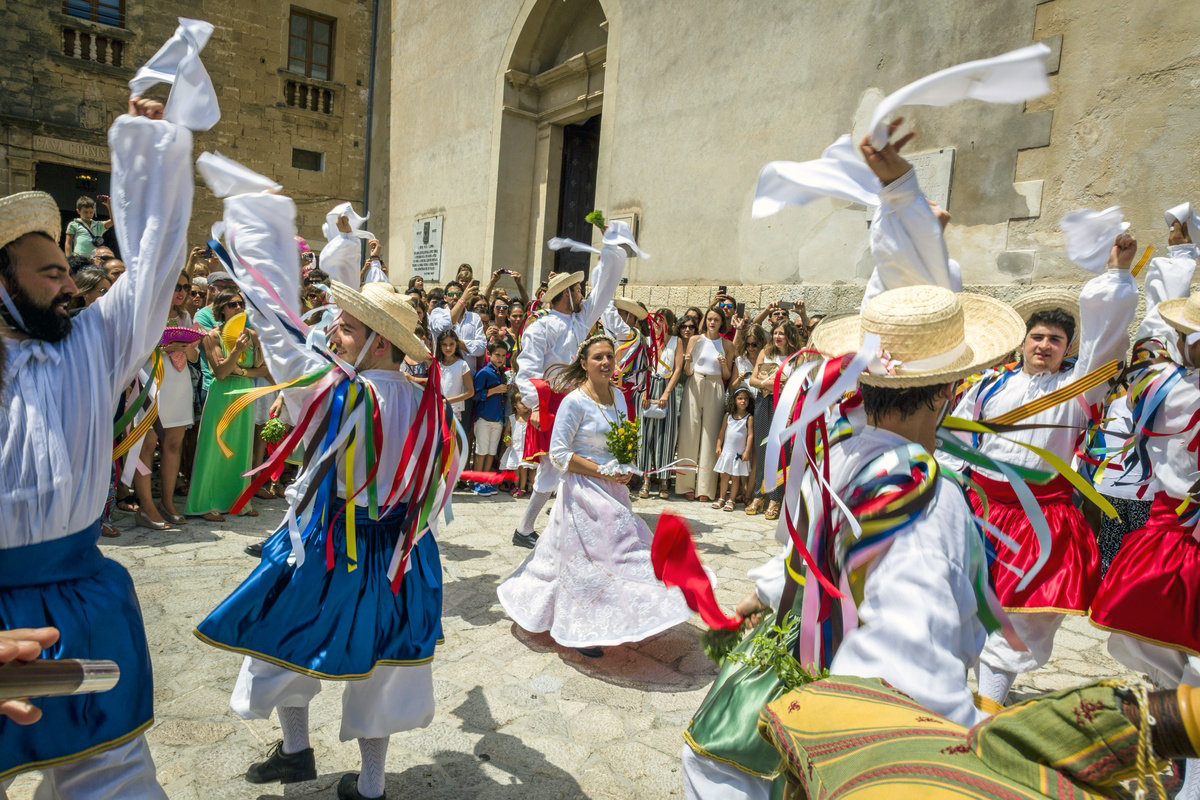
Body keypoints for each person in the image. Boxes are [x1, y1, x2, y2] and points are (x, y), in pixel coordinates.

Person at [682, 283, 1028, 800]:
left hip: (758, 716)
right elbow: (912, 664)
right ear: (945, 392)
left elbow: (809, 553)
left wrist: (767, 594)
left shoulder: (837, 450)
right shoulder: (927, 495)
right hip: (834, 729)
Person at [193, 152, 457, 800]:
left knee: (280, 638)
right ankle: (368, 785)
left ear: (376, 340)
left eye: (343, 326)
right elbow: (431, 488)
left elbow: (281, 340)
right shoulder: (430, 405)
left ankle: (296, 748)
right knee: (387, 666)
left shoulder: (338, 396)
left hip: (331, 543)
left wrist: (257, 251)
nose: (331, 334)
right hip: (400, 550)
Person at [0, 81, 202, 795]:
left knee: (112, 776)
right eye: (49, 271)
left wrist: (151, 153)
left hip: (85, 604)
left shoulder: (91, 343)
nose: (70, 284)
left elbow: (152, 264)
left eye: (68, 268)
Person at [1088, 215, 1200, 800]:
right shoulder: (1168, 388)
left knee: (1174, 659)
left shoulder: (1164, 386)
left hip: (1171, 532)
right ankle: (1182, 759)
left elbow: (1156, 331)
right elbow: (1156, 337)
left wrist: (1166, 265)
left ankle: (1184, 765)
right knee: (1165, 651)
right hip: (1176, 533)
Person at [498, 335, 697, 658]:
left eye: (609, 357)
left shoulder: (619, 397)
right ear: (584, 364)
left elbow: (622, 440)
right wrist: (600, 471)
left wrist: (626, 467)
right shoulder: (574, 402)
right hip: (581, 491)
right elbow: (560, 454)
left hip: (614, 489)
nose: (605, 363)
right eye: (598, 358)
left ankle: (619, 614)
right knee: (590, 560)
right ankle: (580, 629)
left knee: (621, 552)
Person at [510, 223, 632, 548]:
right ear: (565, 294)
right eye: (577, 290)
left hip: (577, 401)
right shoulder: (542, 328)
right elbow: (527, 368)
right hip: (551, 404)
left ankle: (554, 527)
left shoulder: (579, 321)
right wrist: (534, 406)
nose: (582, 294)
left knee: (567, 468)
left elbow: (604, 288)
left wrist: (609, 247)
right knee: (554, 467)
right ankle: (526, 529)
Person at [185, 289, 267, 521]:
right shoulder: (212, 336)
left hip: (245, 393)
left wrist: (240, 370)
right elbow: (220, 372)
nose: (239, 308)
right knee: (214, 449)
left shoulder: (251, 334)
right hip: (222, 394)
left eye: (241, 304)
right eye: (232, 304)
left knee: (241, 448)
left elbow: (264, 369)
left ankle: (239, 501)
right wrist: (237, 353)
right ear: (221, 308)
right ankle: (204, 503)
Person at [131, 271, 198, 529]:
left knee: (173, 444)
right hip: (150, 380)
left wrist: (188, 347)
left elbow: (193, 359)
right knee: (147, 445)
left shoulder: (185, 316)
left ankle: (167, 503)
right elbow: (134, 351)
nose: (181, 291)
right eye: (175, 286)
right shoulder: (147, 313)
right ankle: (146, 506)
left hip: (178, 383)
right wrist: (161, 349)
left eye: (185, 286)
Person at [676, 306, 733, 502]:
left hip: (716, 384)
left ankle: (705, 488)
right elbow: (688, 371)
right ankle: (685, 485)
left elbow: (727, 376)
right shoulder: (695, 340)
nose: (712, 322)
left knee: (710, 436)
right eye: (709, 318)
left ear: (721, 323)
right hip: (696, 382)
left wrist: (725, 365)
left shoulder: (728, 344)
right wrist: (687, 362)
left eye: (716, 319)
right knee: (689, 432)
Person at [747, 319, 801, 518]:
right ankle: (759, 496)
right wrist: (774, 385)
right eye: (775, 333)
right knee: (761, 451)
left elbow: (796, 388)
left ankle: (775, 499)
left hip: (784, 405)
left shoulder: (797, 358)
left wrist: (790, 415)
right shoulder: (765, 353)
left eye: (782, 333)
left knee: (780, 453)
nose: (778, 337)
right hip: (764, 403)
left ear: (789, 336)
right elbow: (753, 380)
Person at [637, 308, 684, 499]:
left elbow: (678, 368)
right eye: (655, 321)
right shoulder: (648, 341)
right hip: (648, 386)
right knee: (645, 433)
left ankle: (664, 480)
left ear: (669, 324)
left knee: (666, 434)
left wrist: (666, 393)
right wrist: (644, 391)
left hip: (666, 388)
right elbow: (643, 367)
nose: (656, 326)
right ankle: (646, 479)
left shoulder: (676, 341)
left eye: (661, 322)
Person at [471, 340, 509, 495]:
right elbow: (475, 395)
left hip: (498, 418)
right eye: (497, 355)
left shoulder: (503, 374)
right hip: (484, 418)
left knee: (491, 453)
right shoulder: (484, 372)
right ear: (489, 355)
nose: (500, 358)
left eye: (503, 355)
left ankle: (485, 481)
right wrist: (495, 390)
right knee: (481, 452)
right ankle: (476, 482)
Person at [713, 386, 753, 511]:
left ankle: (731, 500)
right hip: (727, 452)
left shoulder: (749, 417)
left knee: (735, 477)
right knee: (724, 476)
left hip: (739, 453)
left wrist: (747, 451)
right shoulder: (728, 416)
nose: (743, 401)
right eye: (740, 398)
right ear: (734, 400)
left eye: (746, 399)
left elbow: (750, 435)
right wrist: (718, 445)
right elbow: (722, 431)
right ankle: (721, 498)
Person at [500, 385, 535, 498]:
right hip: (515, 447)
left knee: (524, 469)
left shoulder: (530, 417)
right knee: (516, 469)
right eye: (522, 403)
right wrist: (507, 439)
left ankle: (523, 488)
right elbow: (507, 432)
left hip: (526, 448)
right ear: (515, 405)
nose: (525, 406)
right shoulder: (512, 418)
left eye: (526, 403)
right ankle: (516, 486)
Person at [435, 327, 474, 429]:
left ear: (456, 344)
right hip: (437, 410)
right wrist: (413, 379)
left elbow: (470, 392)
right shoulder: (437, 364)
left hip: (454, 412)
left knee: (452, 443)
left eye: (451, 344)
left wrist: (448, 401)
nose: (448, 348)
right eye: (444, 345)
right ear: (440, 345)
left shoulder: (462, 365)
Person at [63, 194, 113, 259]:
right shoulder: (73, 224)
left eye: (91, 212)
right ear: (78, 211)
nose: (88, 214)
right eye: (85, 212)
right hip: (79, 259)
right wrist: (69, 260)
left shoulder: (99, 225)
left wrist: (109, 206)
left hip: (96, 260)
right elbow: (68, 244)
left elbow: (113, 221)